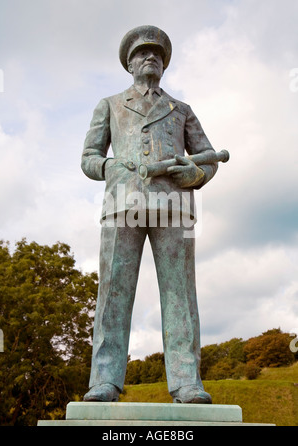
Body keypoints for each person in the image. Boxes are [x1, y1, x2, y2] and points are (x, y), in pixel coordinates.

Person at [81, 26, 218, 404]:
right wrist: (110, 168)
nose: (151, 58)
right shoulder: (109, 104)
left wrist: (197, 173)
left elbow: (207, 157)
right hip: (121, 203)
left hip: (174, 206)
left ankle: (187, 380)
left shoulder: (182, 110)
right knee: (112, 292)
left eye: (157, 54)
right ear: (130, 63)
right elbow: (88, 158)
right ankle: (104, 380)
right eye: (143, 53)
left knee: (180, 295)